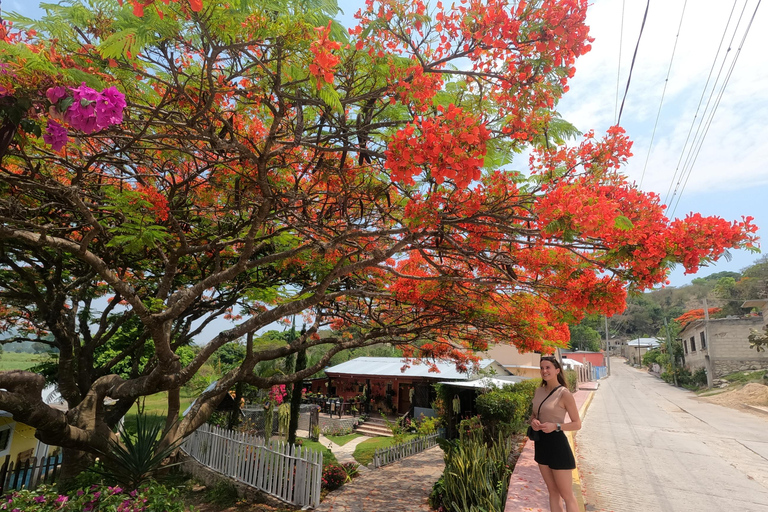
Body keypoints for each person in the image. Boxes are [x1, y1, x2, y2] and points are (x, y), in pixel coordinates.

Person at [530, 355, 582, 512]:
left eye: (548, 368)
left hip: (557, 445)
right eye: (542, 368)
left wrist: (556, 426)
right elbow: (533, 415)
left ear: (557, 370)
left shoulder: (564, 394)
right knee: (552, 492)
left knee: (567, 495)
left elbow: (577, 424)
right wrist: (533, 421)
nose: (544, 371)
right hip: (541, 443)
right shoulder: (538, 391)